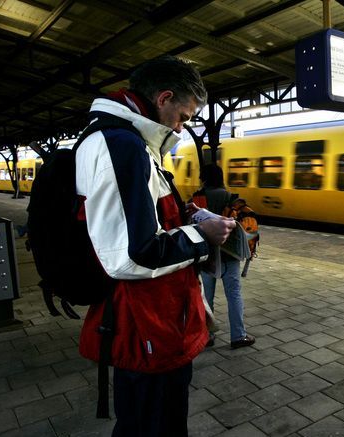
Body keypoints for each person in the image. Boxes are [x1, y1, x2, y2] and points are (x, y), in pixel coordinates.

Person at [75, 55, 236, 436]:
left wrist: (194, 216)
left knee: (158, 419)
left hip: (158, 321)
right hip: (144, 323)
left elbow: (151, 214)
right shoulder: (121, 146)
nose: (184, 126)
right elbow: (130, 254)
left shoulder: (135, 143)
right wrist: (204, 237)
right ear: (164, 98)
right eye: (184, 116)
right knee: (151, 424)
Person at [192, 164, 255, 349]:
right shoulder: (230, 198)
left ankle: (207, 335)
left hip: (207, 256)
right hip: (230, 255)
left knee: (207, 296)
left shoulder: (197, 198)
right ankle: (238, 336)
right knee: (234, 294)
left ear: (203, 178)